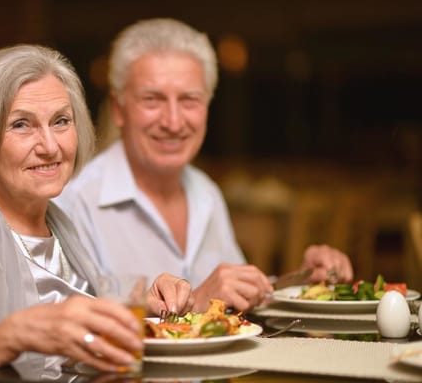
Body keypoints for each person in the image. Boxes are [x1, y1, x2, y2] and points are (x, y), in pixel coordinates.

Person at [0, 44, 194, 383]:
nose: (50, 146)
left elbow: (63, 346)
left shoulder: (57, 223)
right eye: (22, 125)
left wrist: (141, 308)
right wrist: (0, 343)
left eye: (61, 121)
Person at [56, 18, 353, 312]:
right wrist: (195, 303)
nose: (173, 122)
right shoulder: (75, 201)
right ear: (119, 109)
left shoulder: (205, 191)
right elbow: (71, 335)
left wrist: (302, 282)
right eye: (152, 99)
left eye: (189, 100)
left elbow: (236, 297)